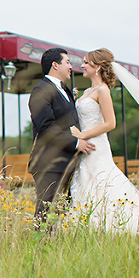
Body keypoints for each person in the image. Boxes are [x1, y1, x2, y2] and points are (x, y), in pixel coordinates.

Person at [68, 48, 139, 234]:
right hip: (86, 147)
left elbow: (111, 123)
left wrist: (83, 135)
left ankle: (113, 224)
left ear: (97, 67)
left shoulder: (102, 90)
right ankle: (90, 225)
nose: (81, 65)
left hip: (96, 145)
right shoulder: (89, 90)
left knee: (102, 181)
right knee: (87, 181)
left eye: (85, 62)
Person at [29, 48, 95, 226]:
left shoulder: (63, 90)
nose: (71, 67)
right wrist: (75, 143)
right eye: (67, 62)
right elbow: (46, 127)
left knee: (59, 214)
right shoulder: (40, 91)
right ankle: (39, 249)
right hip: (49, 163)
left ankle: (55, 249)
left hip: (66, 162)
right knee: (46, 212)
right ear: (55, 65)